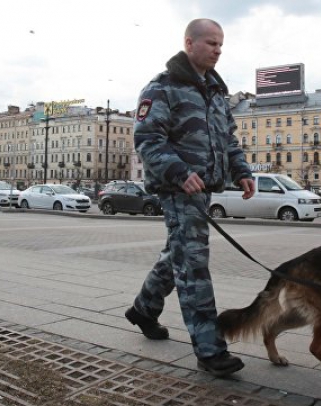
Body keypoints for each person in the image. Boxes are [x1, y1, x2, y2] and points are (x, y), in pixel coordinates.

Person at [125, 18, 255, 378]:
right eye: (211, 43)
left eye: (221, 45)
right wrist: (180, 173)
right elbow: (148, 140)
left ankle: (143, 309)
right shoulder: (162, 88)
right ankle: (210, 349)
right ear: (189, 43)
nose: (218, 50)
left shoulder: (215, 92)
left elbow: (227, 140)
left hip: (203, 189)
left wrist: (242, 171)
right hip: (177, 189)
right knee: (193, 263)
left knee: (178, 254)